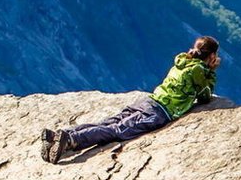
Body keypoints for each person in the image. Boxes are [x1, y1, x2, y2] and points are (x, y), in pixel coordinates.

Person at [41, 36, 221, 163]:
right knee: (117, 131)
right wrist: (211, 72)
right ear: (212, 56)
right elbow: (205, 96)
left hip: (148, 101)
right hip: (160, 111)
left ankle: (60, 135)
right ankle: (72, 140)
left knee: (108, 123)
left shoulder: (183, 61)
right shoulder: (198, 70)